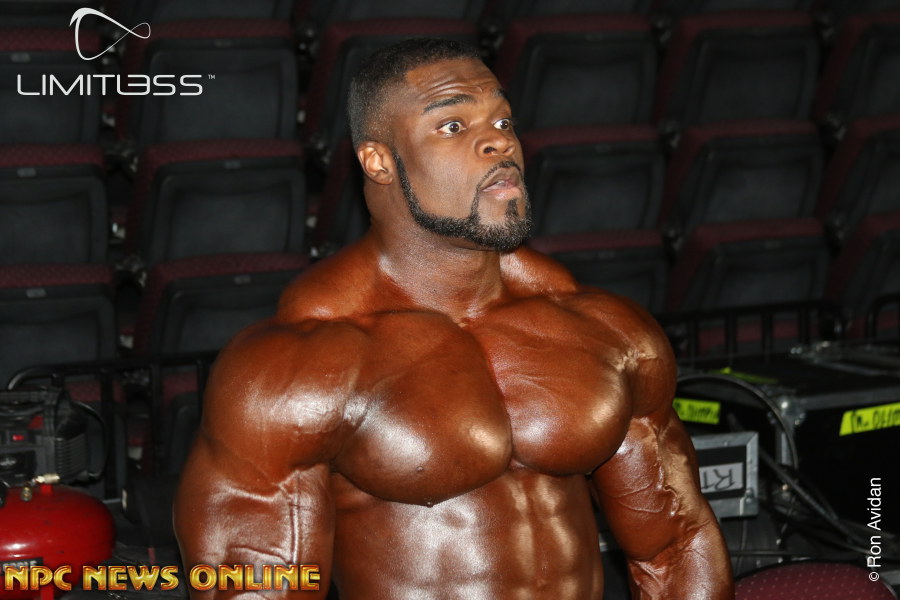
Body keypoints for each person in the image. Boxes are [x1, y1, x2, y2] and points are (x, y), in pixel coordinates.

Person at [174, 38, 733, 599]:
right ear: (378, 162)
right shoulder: (296, 362)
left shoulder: (603, 327)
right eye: (453, 126)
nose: (499, 141)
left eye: (503, 121)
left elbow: (676, 544)